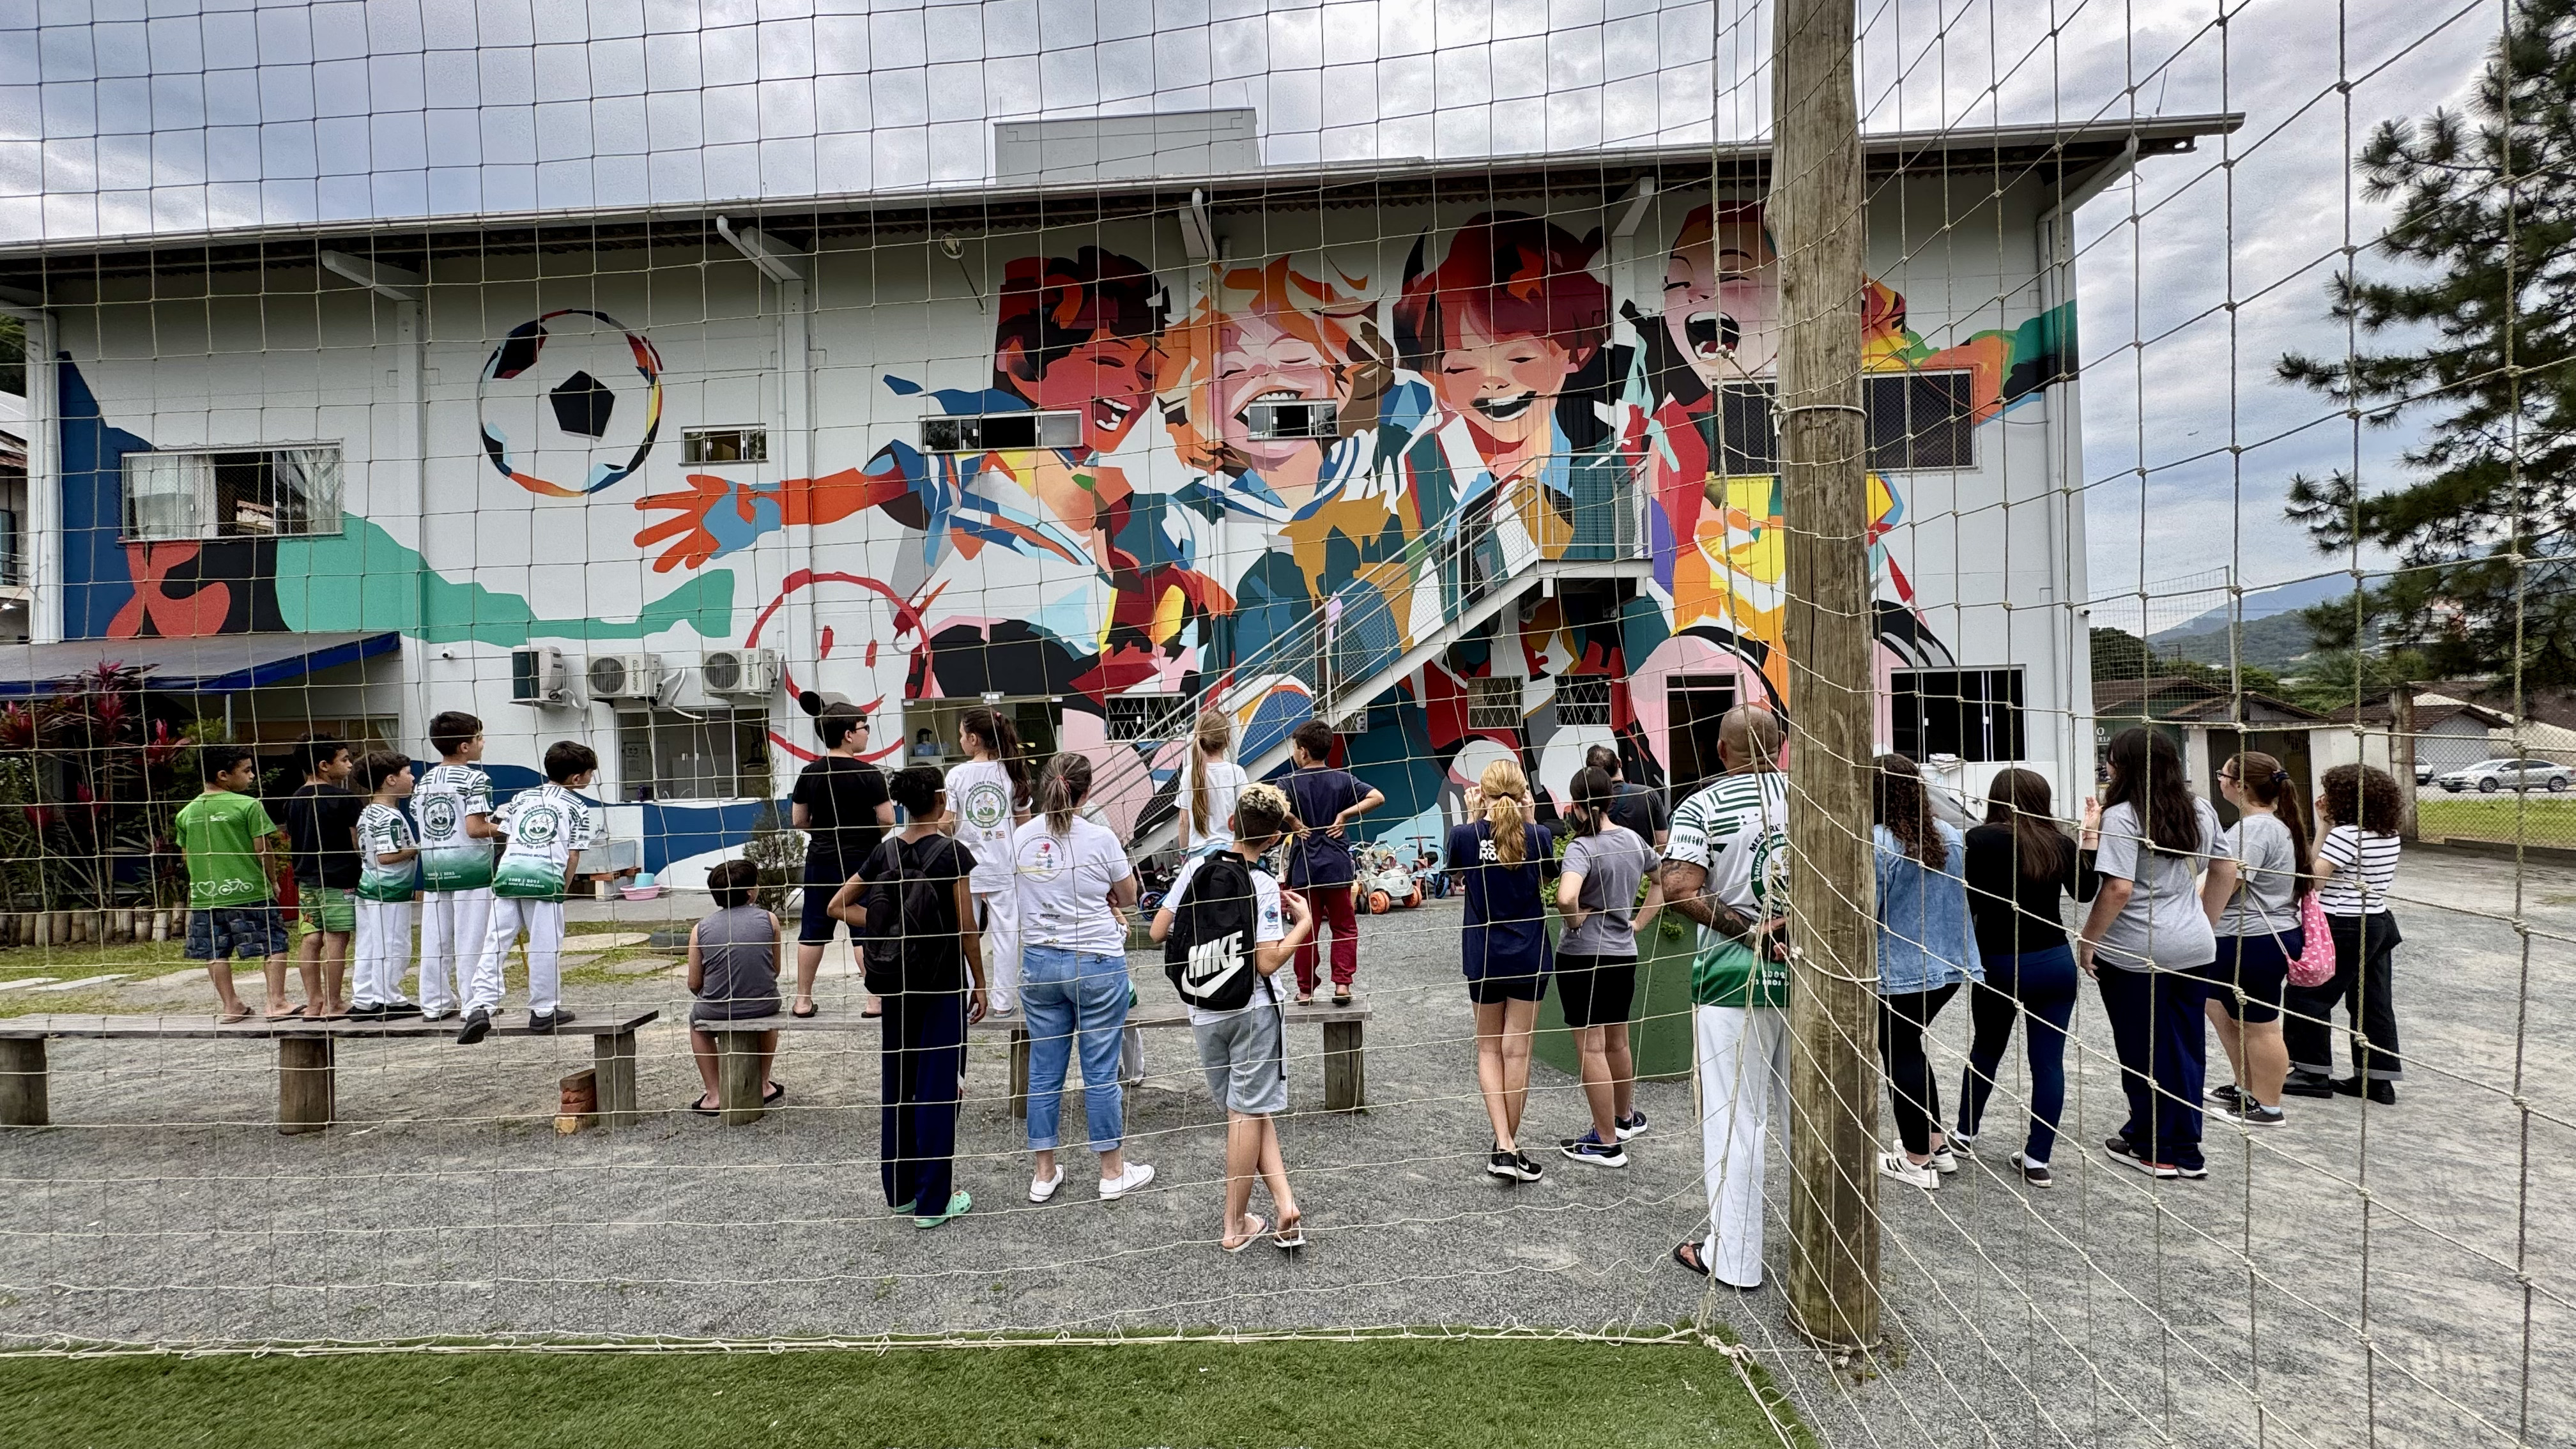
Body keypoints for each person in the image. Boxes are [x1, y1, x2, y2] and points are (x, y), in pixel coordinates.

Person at [1151, 782, 1317, 1252]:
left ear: (1230, 823)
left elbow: (1159, 930)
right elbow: (1266, 962)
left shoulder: (1195, 868)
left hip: (1204, 1006)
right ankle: (1235, 1224)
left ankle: (1285, 1203)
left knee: (1248, 1106)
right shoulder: (1262, 884)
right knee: (1246, 1110)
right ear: (1274, 839)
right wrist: (1304, 925)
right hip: (1252, 1008)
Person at [1662, 705, 1790, 1290]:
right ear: (1781, 747)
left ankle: (1734, 1257)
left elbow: (1679, 888)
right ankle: (1829, 1246)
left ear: (1720, 751)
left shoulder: (1702, 806)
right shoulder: (1813, 799)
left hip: (1732, 982)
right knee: (1814, 1121)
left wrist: (1750, 931)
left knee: (1736, 1121)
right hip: (1815, 980)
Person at [2076, 727, 2237, 1179]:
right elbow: (2226, 868)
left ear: (2123, 766)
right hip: (2194, 946)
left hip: (2136, 952)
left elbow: (2118, 888)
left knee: (2141, 1050)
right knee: (2186, 1047)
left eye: (2111, 759)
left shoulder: (2123, 815)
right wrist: (2204, 923)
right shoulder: (2200, 808)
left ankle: (2156, 1149)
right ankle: (2184, 1148)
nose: (2107, 767)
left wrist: (2088, 939)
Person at [833, 766, 985, 1228]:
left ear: (902, 803)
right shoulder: (952, 853)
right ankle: (933, 1202)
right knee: (937, 1088)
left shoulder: (883, 852)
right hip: (941, 985)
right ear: (941, 801)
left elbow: (837, 905)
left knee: (898, 1084)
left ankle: (900, 1192)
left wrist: (889, 925)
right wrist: (980, 981)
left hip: (896, 983)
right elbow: (966, 927)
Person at [1012, 752, 1154, 1204]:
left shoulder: (1022, 836)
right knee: (1100, 1070)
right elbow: (1129, 896)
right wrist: (1105, 896)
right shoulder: (1101, 837)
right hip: (1095, 959)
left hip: (1039, 960)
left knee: (1044, 1072)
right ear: (1087, 792)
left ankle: (1043, 1173)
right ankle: (1112, 1171)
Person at [1957, 767, 2098, 1188]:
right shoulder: (2059, 842)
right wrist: (2089, 837)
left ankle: (1964, 1134)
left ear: (1995, 798)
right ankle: (2038, 1158)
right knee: (2048, 1062)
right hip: (2054, 962)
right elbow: (2085, 892)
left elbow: (1970, 901)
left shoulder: (1980, 840)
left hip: (1999, 961)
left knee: (1987, 1049)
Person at [1872, 755, 1984, 1191]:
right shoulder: (1951, 836)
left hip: (1898, 967)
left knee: (1899, 1051)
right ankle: (1937, 1144)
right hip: (1949, 964)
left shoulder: (1878, 842)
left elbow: (1867, 909)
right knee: (1910, 1047)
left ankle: (1917, 1159)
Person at [1450, 758, 1558, 1182]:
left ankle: (1505, 1145)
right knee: (1517, 1052)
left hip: (1484, 955)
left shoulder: (1464, 835)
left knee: (1488, 1049)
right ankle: (1507, 1146)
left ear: (1483, 792)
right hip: (1529, 954)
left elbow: (1456, 875)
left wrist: (1473, 818)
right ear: (1523, 793)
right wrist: (1530, 821)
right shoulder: (1540, 835)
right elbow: (1547, 880)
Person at [1553, 764, 1661, 1167]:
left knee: (1591, 1048)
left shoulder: (1581, 847)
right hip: (1623, 953)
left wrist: (1573, 921)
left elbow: (1566, 897)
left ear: (1577, 804)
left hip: (1583, 956)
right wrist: (1638, 923)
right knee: (1618, 1041)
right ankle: (1624, 1118)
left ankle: (1605, 1141)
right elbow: (1661, 880)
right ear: (1611, 799)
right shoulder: (1634, 840)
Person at [461, 741, 600, 1043]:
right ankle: (544, 1010)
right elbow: (573, 855)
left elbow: (506, 832)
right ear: (577, 778)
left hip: (509, 874)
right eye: (590, 773)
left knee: (495, 942)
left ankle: (479, 1006)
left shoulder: (523, 797)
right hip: (545, 878)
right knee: (545, 945)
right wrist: (563, 890)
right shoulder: (578, 807)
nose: (591, 778)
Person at [2283, 764, 2405, 1104]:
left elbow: (2313, 880)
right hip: (2378, 920)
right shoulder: (2389, 833)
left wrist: (2324, 828)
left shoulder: (2346, 834)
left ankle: (2311, 1072)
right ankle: (2377, 1079)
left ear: (2346, 798)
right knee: (2372, 1001)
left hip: (2343, 923)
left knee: (2308, 993)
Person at [2202, 752, 2313, 1126]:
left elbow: (2228, 882)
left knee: (2260, 1023)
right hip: (2249, 936)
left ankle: (2268, 1106)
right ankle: (2246, 1086)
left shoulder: (2255, 829)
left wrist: (2194, 915)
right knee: (2219, 1006)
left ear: (2241, 786)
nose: (2220, 780)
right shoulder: (2264, 825)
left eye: (2223, 774)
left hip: (2253, 938)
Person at [176, 744, 295, 1023]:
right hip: (249, 891)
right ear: (223, 775)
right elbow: (263, 849)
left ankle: (231, 1005)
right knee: (274, 944)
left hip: (206, 895)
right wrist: (273, 881)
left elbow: (186, 856)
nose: (252, 776)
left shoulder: (186, 813)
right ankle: (277, 1002)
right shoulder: (248, 805)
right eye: (247, 770)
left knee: (215, 951)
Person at [789, 703, 892, 1018]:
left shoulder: (810, 773)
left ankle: (802, 1000)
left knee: (813, 929)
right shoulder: (870, 773)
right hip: (863, 862)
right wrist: (867, 835)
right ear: (849, 734)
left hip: (821, 859)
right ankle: (875, 1000)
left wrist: (824, 833)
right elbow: (888, 819)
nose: (867, 734)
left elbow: (799, 820)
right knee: (866, 926)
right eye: (864, 728)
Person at [1281, 719, 1383, 1006]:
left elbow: (1271, 803)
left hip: (1305, 868)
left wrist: (1292, 820)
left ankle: (1305, 990)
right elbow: (1377, 797)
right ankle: (1342, 985)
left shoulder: (1288, 782)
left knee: (1305, 930)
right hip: (1337, 865)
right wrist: (1345, 815)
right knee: (1344, 927)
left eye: (1294, 748)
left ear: (1303, 751)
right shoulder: (1343, 779)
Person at [945, 707, 1030, 1016]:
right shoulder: (1013, 772)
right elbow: (1024, 823)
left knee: (966, 933)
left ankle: (969, 999)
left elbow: (948, 824)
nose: (960, 741)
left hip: (965, 868)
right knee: (1007, 935)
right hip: (1004, 865)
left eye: (961, 736)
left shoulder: (956, 775)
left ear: (973, 739)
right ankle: (1004, 1001)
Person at [415, 712, 499, 1023]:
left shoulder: (425, 780)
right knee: (472, 938)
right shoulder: (476, 779)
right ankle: (474, 1003)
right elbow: (475, 828)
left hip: (435, 868)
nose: (483, 743)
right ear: (465, 746)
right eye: (479, 738)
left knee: (435, 939)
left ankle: (434, 1002)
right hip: (471, 870)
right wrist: (508, 826)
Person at [686, 859, 784, 1116]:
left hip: (717, 1007)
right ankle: (763, 1084)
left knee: (697, 1025)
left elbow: (694, 982)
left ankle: (715, 1094)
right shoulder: (770, 919)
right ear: (751, 892)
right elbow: (775, 969)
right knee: (770, 1019)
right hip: (763, 1003)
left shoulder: (700, 929)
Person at [282, 733, 362, 1020]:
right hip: (339, 880)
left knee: (311, 938)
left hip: (306, 880)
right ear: (324, 765)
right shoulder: (345, 799)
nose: (350, 764)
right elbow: (356, 841)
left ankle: (314, 1002)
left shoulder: (293, 800)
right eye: (345, 759)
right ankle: (333, 1001)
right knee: (336, 938)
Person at [348, 751, 424, 1021]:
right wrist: (417, 848)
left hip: (369, 886)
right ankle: (389, 999)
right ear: (391, 780)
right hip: (389, 890)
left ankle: (364, 1000)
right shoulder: (390, 816)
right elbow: (387, 857)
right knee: (394, 944)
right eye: (408, 774)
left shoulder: (367, 812)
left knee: (368, 945)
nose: (413, 779)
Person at [1177, 709, 1250, 858]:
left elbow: (1183, 821)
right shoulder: (1237, 772)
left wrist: (1184, 853)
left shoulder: (1188, 773)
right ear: (1227, 739)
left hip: (1198, 854)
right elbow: (1245, 816)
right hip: (1230, 852)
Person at [1584, 743, 1669, 848]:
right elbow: (1662, 841)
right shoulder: (1648, 794)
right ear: (1619, 763)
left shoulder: (1588, 800)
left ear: (1591, 773)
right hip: (1642, 858)